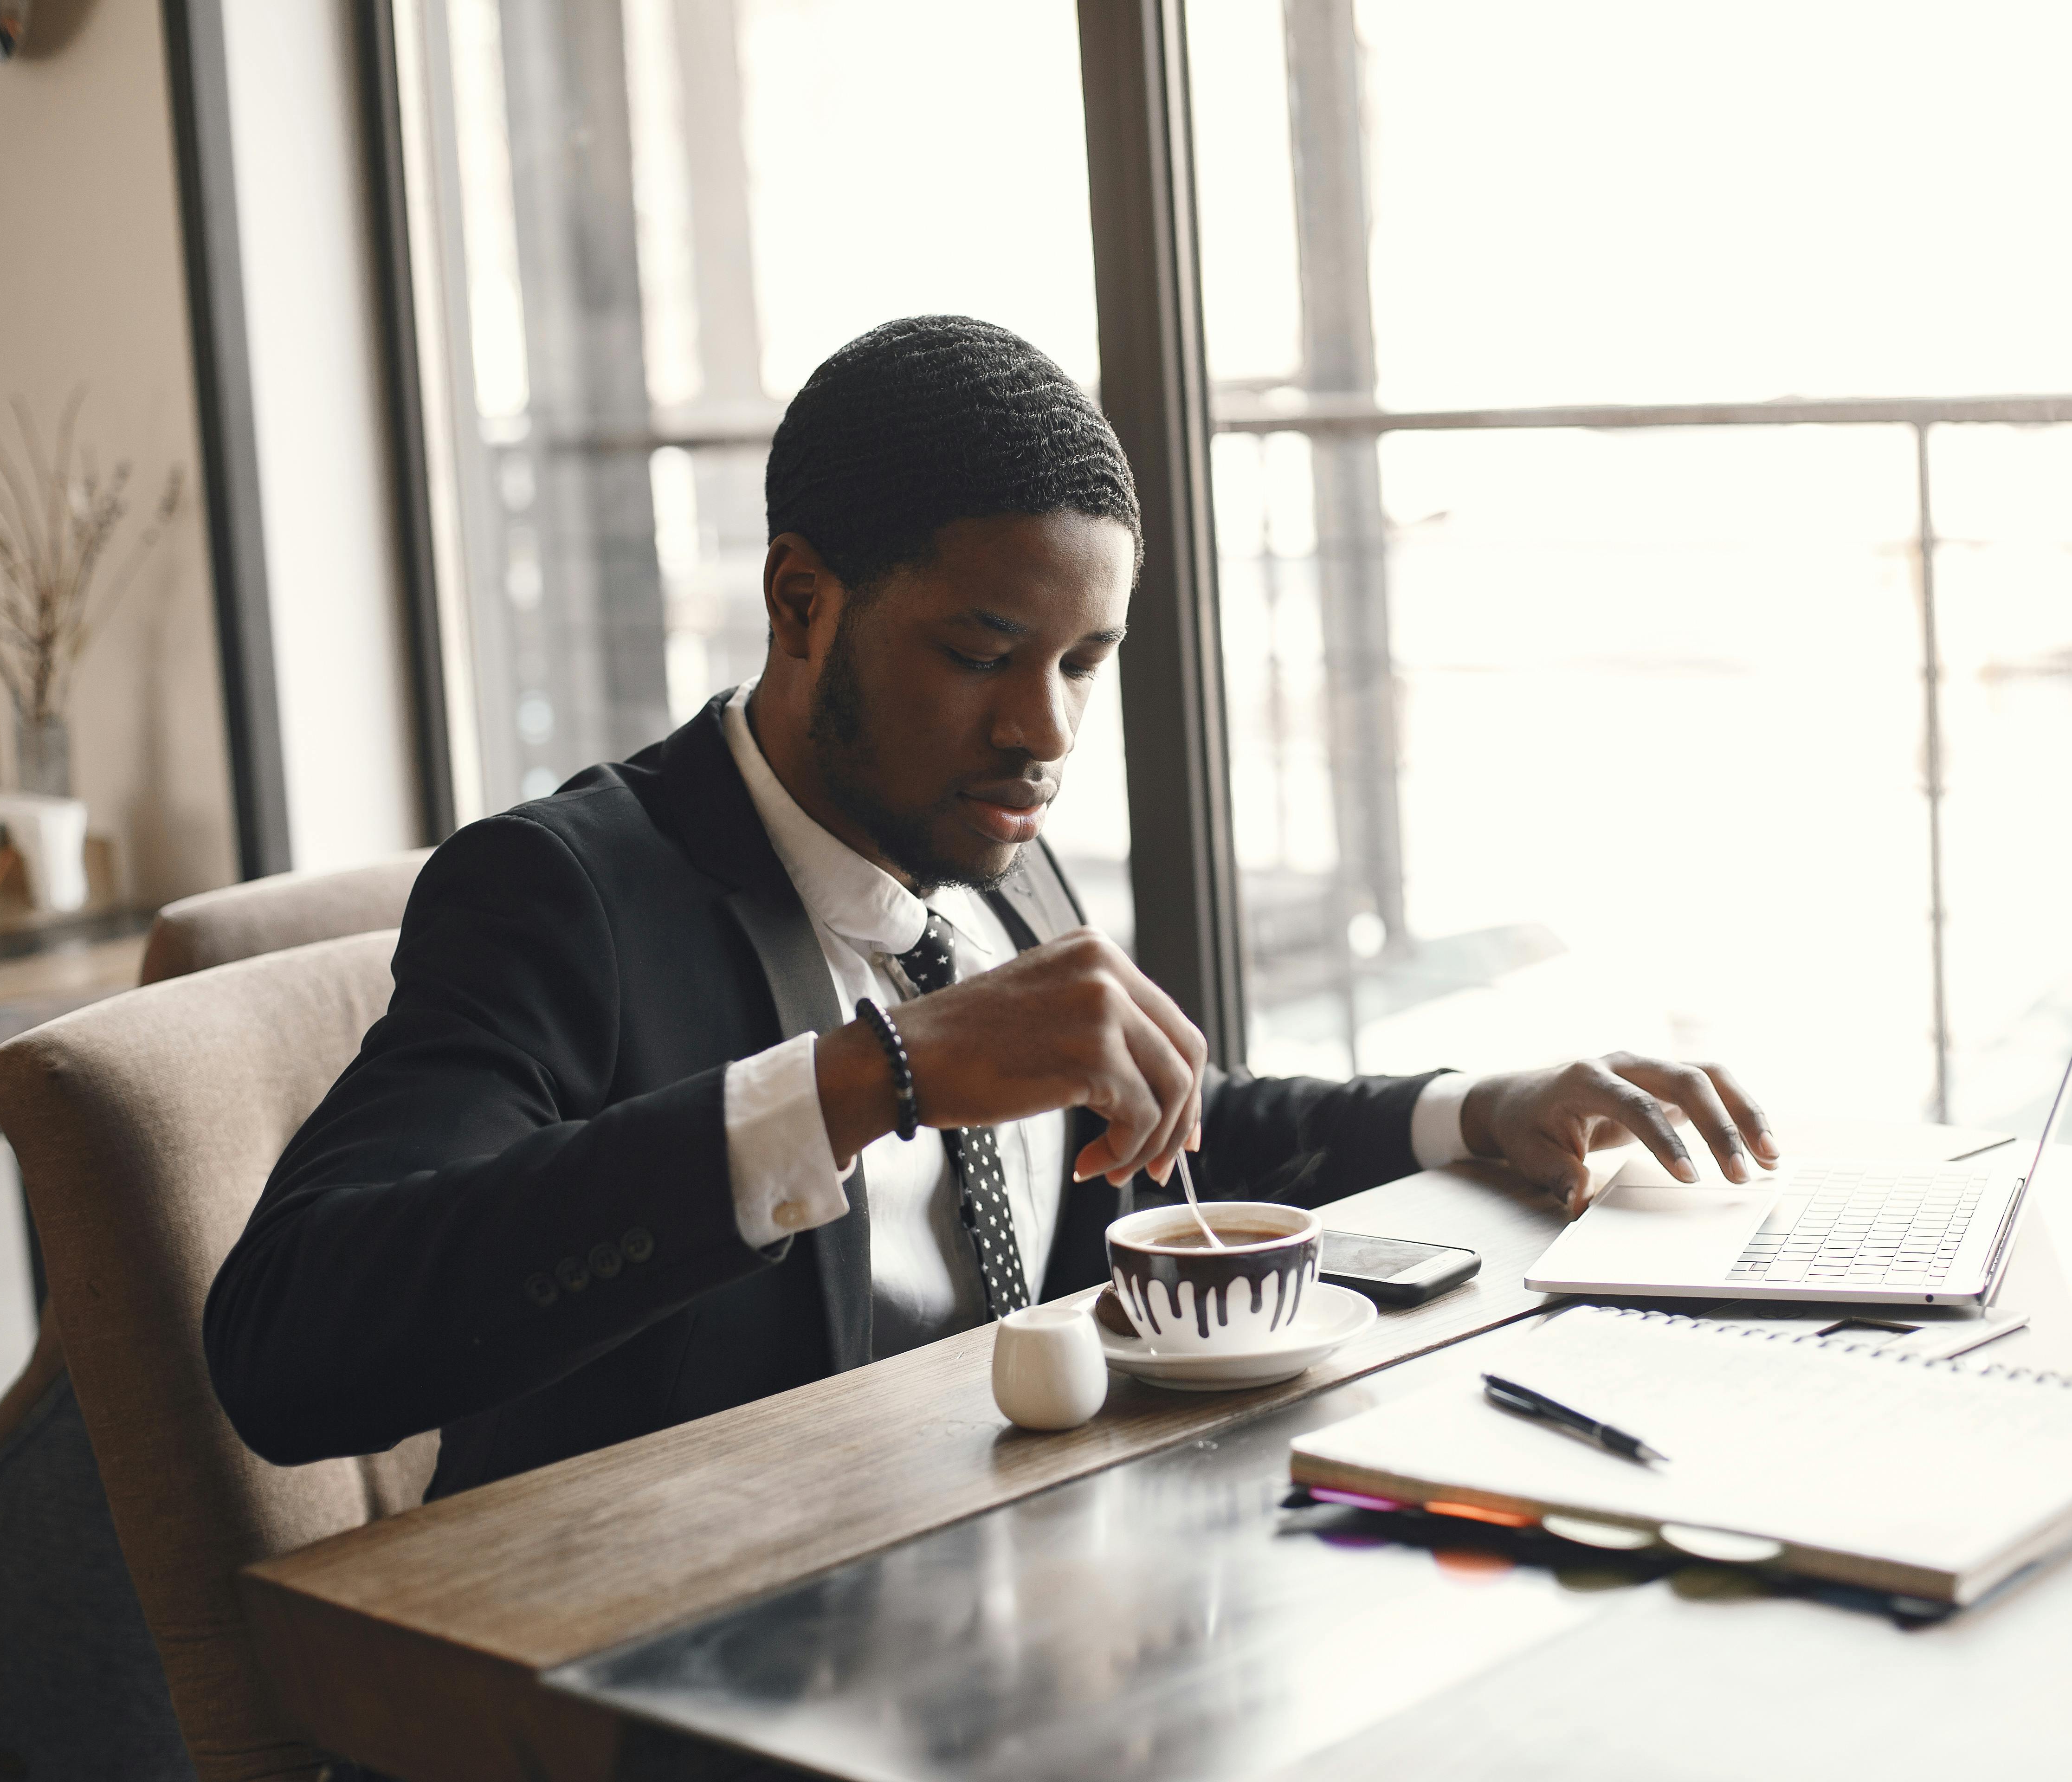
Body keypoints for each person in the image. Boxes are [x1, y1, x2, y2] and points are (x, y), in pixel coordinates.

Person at [203, 316, 1775, 1498]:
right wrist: (872, 1078)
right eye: (983, 651)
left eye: (1083, 664)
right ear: (802, 601)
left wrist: (1472, 1113)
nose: (1048, 730)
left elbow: (1167, 1129)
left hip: (1026, 1606)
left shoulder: (982, 837)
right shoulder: (558, 895)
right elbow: (289, 1346)